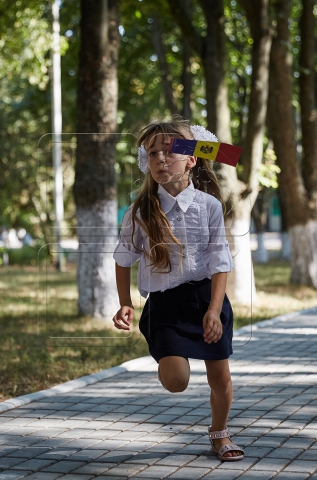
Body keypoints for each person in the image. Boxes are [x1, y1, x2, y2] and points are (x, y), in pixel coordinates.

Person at [111, 117, 244, 461]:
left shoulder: (209, 207)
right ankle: (169, 352)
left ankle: (220, 434)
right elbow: (123, 258)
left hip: (205, 299)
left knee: (220, 376)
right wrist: (125, 302)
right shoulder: (139, 213)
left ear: (191, 159)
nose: (159, 159)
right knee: (176, 380)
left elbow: (219, 261)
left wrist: (214, 309)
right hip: (165, 307)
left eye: (169, 152)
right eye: (152, 153)